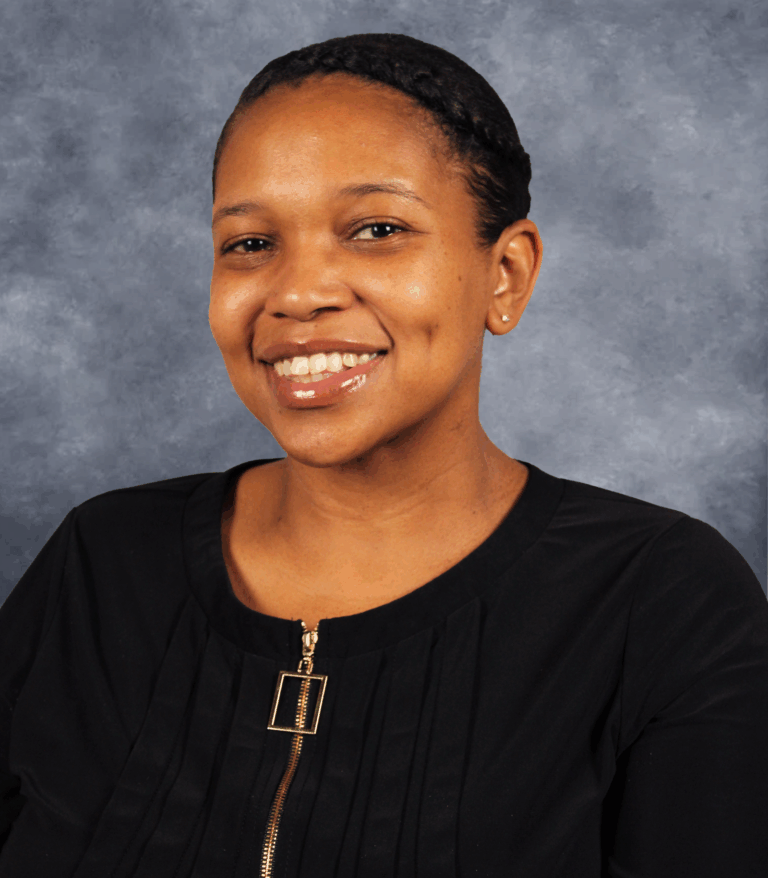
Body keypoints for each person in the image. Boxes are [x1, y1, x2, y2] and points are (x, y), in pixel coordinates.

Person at [1, 32, 767, 878]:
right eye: (250, 243)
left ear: (506, 275)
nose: (296, 293)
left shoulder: (662, 600)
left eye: (376, 229)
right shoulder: (101, 563)